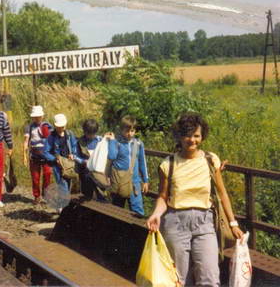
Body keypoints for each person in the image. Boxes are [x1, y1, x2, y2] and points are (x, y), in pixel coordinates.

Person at [146, 112, 244, 286]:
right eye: (187, 135)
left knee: (210, 277)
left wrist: (233, 223)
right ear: (179, 137)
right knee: (178, 279)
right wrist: (156, 214)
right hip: (175, 223)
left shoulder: (211, 160)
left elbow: (222, 193)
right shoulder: (168, 164)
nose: (192, 140)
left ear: (202, 136)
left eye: (196, 135)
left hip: (204, 222)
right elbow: (163, 197)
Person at [105, 115, 149, 217]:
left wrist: (145, 180)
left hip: (134, 183)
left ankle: (136, 227)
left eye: (132, 131)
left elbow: (142, 162)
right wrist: (112, 141)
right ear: (121, 130)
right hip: (119, 182)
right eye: (127, 131)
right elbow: (111, 156)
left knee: (137, 212)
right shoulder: (117, 142)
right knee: (116, 210)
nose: (130, 134)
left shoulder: (138, 144)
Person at [43, 114, 84, 195]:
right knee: (62, 185)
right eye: (59, 126)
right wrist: (54, 159)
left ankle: (64, 200)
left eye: (63, 126)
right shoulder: (51, 137)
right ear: (55, 126)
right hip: (58, 166)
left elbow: (74, 146)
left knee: (69, 184)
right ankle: (63, 201)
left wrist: (73, 154)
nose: (61, 128)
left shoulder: (69, 134)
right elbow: (45, 152)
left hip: (69, 164)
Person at [22, 105, 53, 205]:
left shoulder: (47, 126)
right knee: (35, 178)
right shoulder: (29, 127)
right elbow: (26, 141)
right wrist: (24, 156)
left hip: (46, 156)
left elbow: (52, 141)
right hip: (34, 156)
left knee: (47, 174)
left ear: (42, 116)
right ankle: (36, 196)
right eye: (35, 117)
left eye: (38, 116)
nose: (37, 118)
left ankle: (46, 193)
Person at [77, 119, 107, 202]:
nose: (90, 136)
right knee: (87, 196)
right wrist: (83, 161)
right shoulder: (80, 142)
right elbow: (76, 156)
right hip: (86, 173)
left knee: (101, 196)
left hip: (99, 174)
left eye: (92, 134)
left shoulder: (100, 140)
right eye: (88, 133)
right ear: (84, 131)